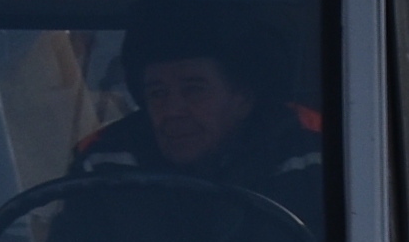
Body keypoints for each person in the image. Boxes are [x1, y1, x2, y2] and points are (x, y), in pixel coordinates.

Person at [74, 11, 326, 215]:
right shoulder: (103, 164)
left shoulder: (314, 153)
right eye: (158, 93)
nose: (172, 111)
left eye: (193, 90)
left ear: (243, 99)